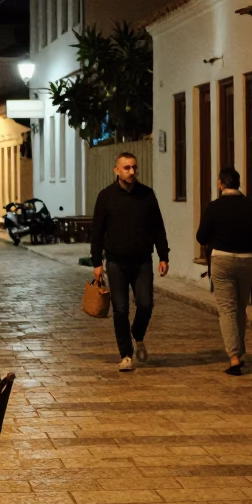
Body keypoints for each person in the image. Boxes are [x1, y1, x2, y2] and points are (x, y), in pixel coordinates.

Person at [91, 152, 169, 372]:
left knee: (146, 304)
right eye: (126, 168)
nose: (132, 172)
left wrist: (163, 255)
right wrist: (97, 263)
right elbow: (97, 232)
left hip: (143, 261)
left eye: (134, 167)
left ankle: (137, 334)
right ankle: (125, 355)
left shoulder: (147, 195)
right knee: (120, 309)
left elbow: (158, 227)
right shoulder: (106, 196)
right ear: (117, 170)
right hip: (116, 262)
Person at [196, 166, 252, 375]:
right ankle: (240, 350)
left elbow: (201, 236)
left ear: (220, 184)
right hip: (247, 260)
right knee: (240, 307)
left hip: (222, 260)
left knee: (227, 309)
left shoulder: (214, 207)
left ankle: (234, 356)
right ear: (239, 184)